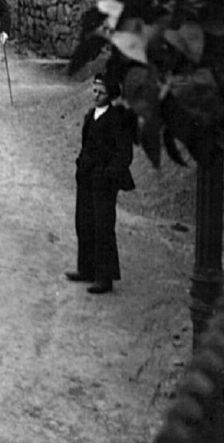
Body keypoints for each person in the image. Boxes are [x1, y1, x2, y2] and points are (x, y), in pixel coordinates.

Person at [67, 73, 135, 295]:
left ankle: (104, 277)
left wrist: (108, 175)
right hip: (86, 177)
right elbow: (85, 144)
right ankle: (86, 269)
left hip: (104, 181)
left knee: (103, 226)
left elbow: (124, 154)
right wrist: (80, 164)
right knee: (84, 221)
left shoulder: (117, 119)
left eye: (101, 92)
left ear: (111, 94)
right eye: (94, 91)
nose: (96, 96)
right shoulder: (90, 116)